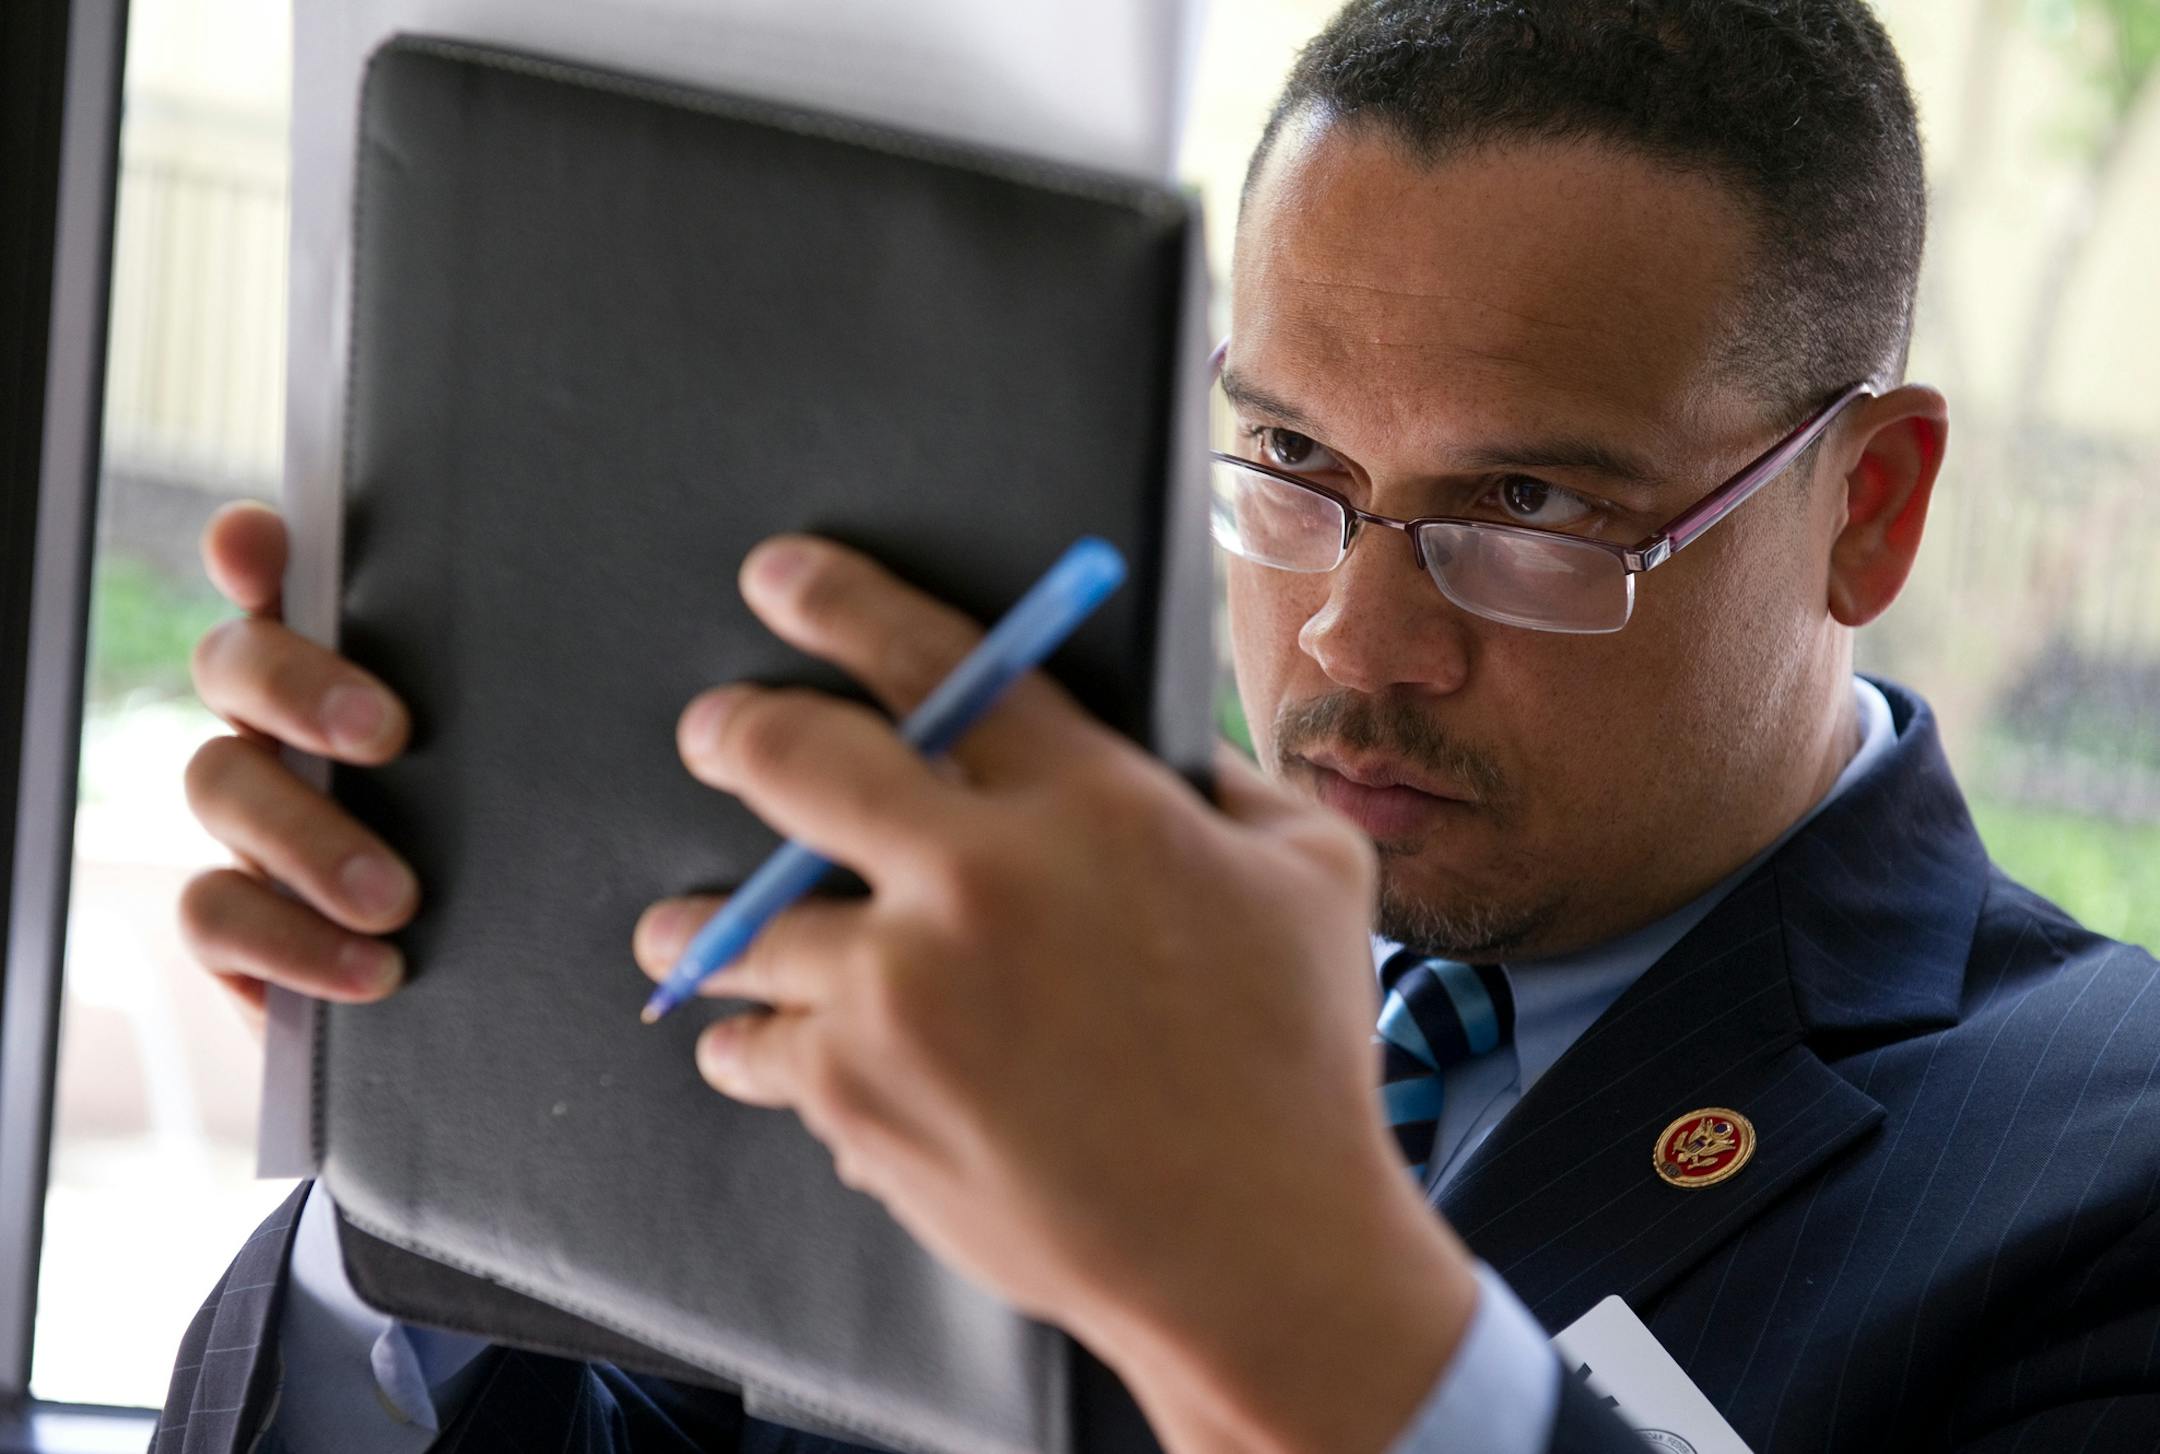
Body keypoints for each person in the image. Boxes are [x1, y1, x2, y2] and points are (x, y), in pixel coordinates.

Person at [155, 2, 2160, 1451]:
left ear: (1871, 505)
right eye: (1288, 456)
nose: (1353, 636)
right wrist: (442, 1122)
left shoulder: (2103, 1170)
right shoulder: (970, 941)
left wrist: (1283, 1292)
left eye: (1531, 511)